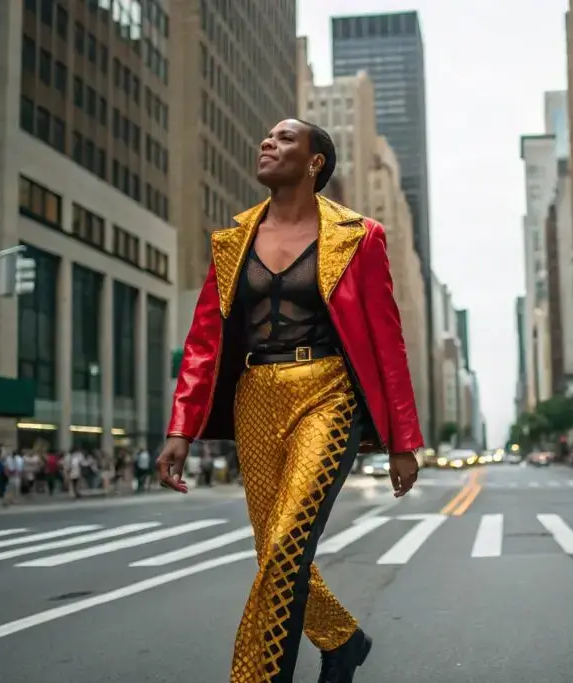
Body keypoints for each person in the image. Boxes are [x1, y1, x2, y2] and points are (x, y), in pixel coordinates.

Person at [156, 119, 423, 683]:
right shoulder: (232, 242)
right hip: (254, 396)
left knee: (286, 541)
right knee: (275, 549)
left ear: (314, 162)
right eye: (267, 139)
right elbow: (204, 340)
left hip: (327, 393)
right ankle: (343, 641)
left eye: (283, 140)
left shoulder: (359, 235)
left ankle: (255, 677)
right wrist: (180, 428)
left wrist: (404, 441)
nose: (267, 144)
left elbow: (387, 341)